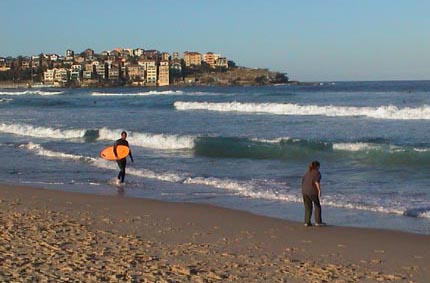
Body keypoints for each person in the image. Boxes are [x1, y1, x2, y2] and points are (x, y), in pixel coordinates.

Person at [301, 161, 325, 227]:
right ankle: (318, 222)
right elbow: (316, 182)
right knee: (317, 205)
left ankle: (306, 222)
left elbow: (303, 181)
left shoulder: (307, 172)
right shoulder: (317, 173)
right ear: (317, 166)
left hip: (304, 191)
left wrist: (302, 190)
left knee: (307, 207)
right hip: (312, 191)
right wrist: (319, 190)